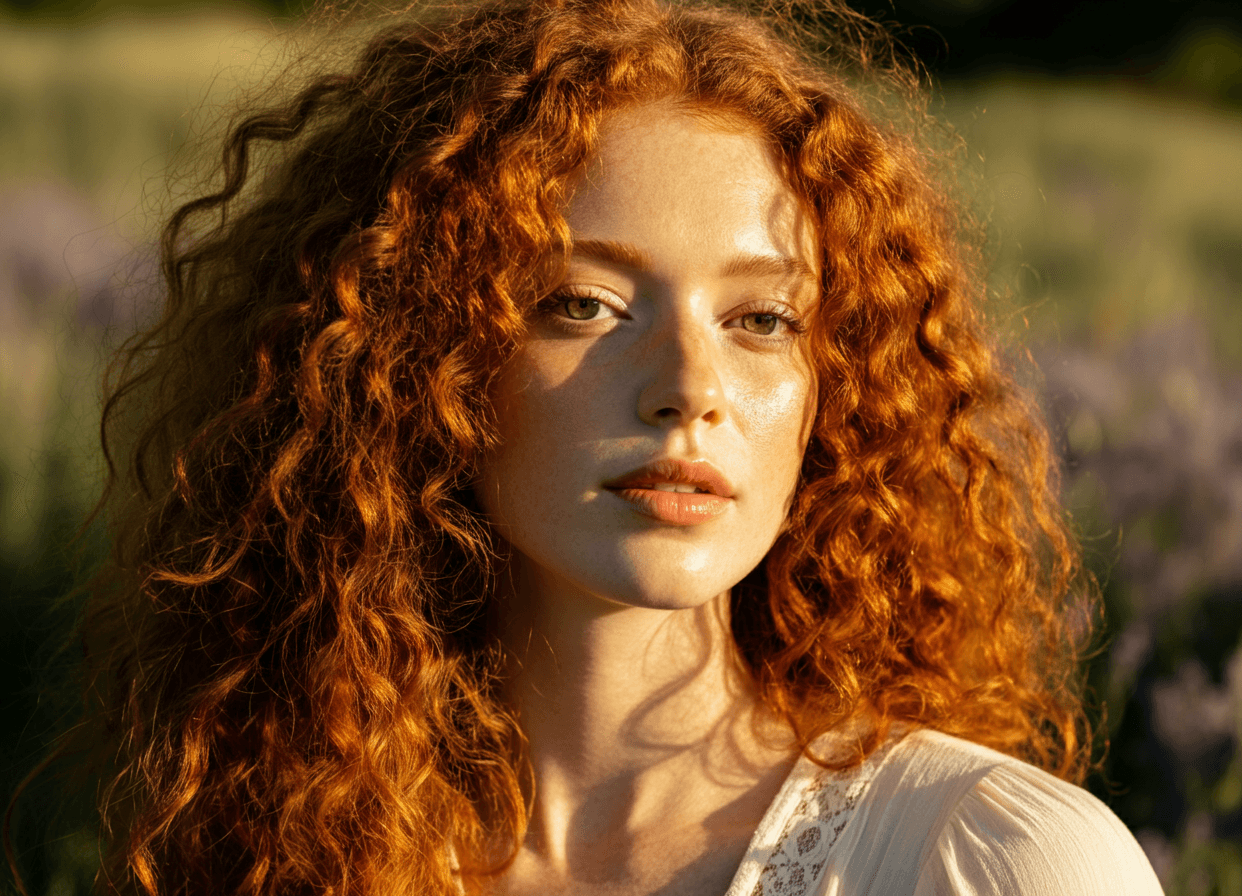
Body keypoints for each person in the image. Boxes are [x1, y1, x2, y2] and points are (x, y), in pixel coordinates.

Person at [31, 0, 1165, 893]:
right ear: (418, 357)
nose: (688, 390)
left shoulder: (988, 861)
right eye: (582, 303)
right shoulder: (284, 846)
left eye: (760, 319)